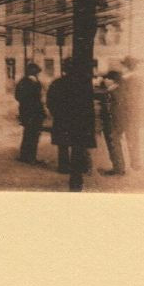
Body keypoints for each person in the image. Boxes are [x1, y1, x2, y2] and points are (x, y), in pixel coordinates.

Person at [47, 58, 98, 191]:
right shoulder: (83, 84)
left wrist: (57, 114)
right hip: (79, 121)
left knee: (63, 145)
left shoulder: (57, 83)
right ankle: (78, 170)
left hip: (63, 120)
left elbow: (50, 102)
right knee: (77, 147)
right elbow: (88, 106)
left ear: (65, 69)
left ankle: (63, 167)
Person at [97, 69, 128, 176]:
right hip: (118, 121)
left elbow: (111, 108)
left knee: (113, 144)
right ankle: (119, 167)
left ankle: (118, 169)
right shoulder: (120, 89)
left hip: (113, 121)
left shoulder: (114, 91)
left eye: (107, 78)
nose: (105, 80)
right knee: (114, 144)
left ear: (112, 80)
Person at [15, 61, 46, 165]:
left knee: (30, 133)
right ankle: (29, 157)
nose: (37, 74)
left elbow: (18, 96)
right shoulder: (27, 82)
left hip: (30, 112)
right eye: (35, 72)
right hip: (31, 112)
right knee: (32, 134)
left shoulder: (27, 82)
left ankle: (27, 156)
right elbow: (20, 96)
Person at [117, 56, 144, 171]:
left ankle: (123, 165)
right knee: (134, 138)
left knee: (128, 137)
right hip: (136, 110)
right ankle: (135, 163)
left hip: (127, 111)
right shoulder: (139, 78)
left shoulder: (126, 79)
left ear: (126, 66)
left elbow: (122, 96)